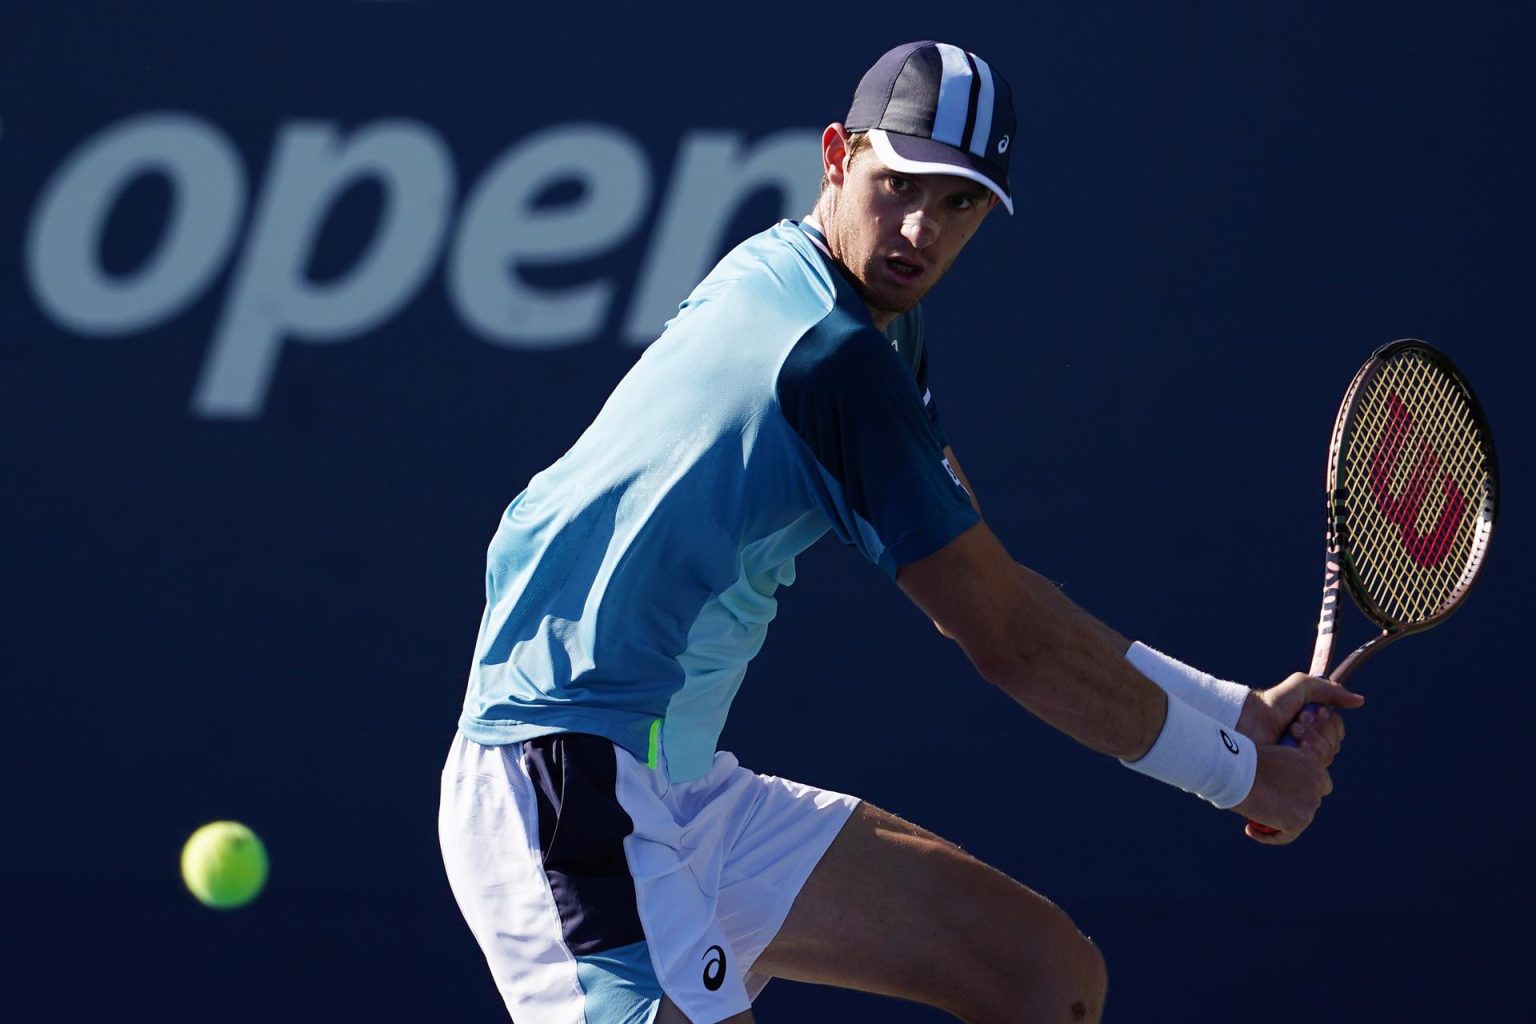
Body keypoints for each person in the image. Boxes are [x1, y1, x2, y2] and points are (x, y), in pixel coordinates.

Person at [438, 40, 1364, 1024]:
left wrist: (1231, 710)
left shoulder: (870, 319)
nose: (920, 228)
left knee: (1045, 983)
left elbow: (995, 591)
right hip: (561, 784)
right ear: (837, 156)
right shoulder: (828, 357)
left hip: (682, 784)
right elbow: (1010, 647)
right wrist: (1240, 776)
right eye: (900, 184)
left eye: (960, 202)